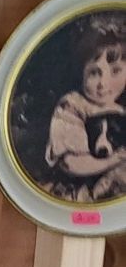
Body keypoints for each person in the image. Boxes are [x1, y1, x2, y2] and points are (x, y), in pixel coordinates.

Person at [44, 18, 126, 200]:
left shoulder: (121, 107)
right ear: (81, 72)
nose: (103, 84)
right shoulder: (72, 106)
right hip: (76, 191)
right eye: (94, 73)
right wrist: (114, 161)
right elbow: (72, 164)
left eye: (115, 71)